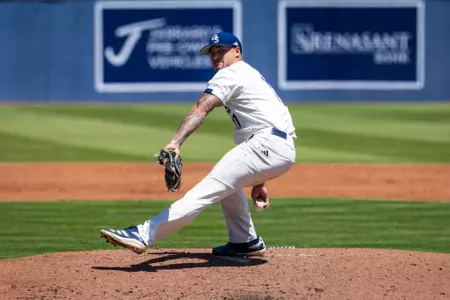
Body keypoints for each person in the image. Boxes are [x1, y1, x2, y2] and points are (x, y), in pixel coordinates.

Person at [100, 32, 296, 257]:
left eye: (221, 50)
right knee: (227, 183)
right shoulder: (249, 74)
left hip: (266, 145)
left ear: (237, 52)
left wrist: (175, 142)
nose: (215, 56)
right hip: (278, 148)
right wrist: (259, 181)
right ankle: (245, 241)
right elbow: (262, 122)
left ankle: (143, 234)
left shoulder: (230, 73)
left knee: (206, 189)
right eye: (212, 52)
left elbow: (202, 106)